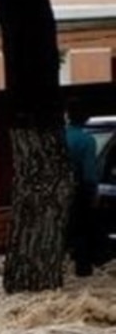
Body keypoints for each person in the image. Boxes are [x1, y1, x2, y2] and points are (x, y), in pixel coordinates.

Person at [65, 98, 102, 277]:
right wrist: (93, 194)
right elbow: (89, 173)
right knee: (82, 231)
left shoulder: (58, 136)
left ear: (67, 116)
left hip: (55, 190)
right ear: (86, 119)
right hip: (78, 191)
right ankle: (83, 271)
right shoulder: (87, 141)